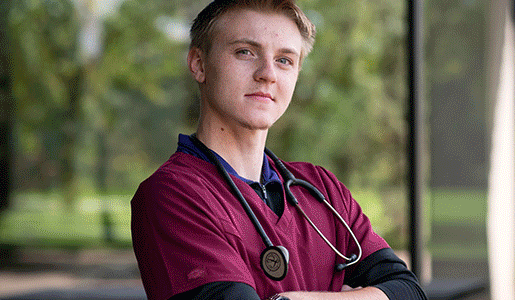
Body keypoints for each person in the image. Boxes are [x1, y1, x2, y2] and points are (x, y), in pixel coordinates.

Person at [129, 1, 423, 299]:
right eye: (245, 52)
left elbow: (409, 291)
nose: (267, 73)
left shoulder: (322, 189)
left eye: (284, 60)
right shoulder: (172, 194)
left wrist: (294, 299)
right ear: (199, 64)